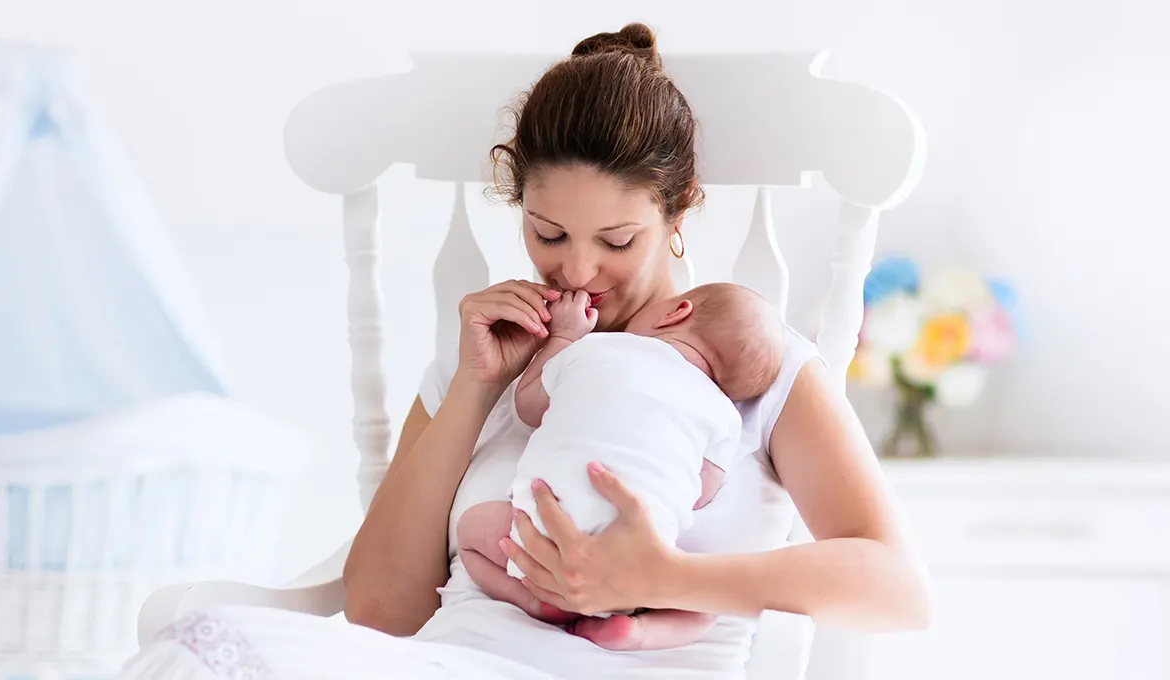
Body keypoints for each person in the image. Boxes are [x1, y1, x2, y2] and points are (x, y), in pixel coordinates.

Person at [119, 22, 929, 680]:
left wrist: (660, 579)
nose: (577, 270)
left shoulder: (750, 362)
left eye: (616, 239)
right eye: (548, 235)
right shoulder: (493, 353)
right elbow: (379, 612)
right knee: (200, 646)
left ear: (678, 211)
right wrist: (476, 387)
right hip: (453, 662)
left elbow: (896, 592)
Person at [456, 283, 786, 651]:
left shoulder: (594, 349)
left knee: (469, 532)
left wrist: (564, 336)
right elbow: (701, 492)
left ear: (676, 312)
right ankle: (638, 631)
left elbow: (529, 405)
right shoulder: (725, 416)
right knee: (703, 612)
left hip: (538, 535)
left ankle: (534, 600)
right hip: (641, 562)